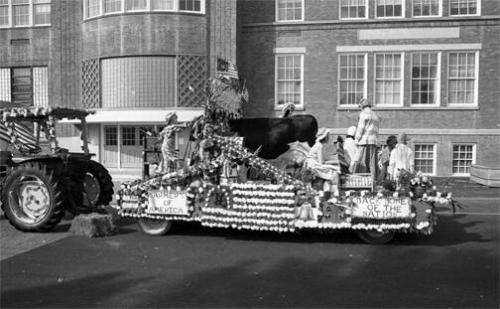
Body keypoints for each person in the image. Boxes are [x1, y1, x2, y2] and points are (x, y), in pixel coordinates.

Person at [353, 98, 380, 189]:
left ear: (362, 106)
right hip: (374, 141)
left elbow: (360, 128)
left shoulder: (363, 114)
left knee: (362, 163)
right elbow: (377, 131)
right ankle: (373, 184)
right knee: (372, 164)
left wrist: (356, 139)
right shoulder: (375, 115)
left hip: (364, 141)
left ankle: (362, 185)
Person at [304, 128, 340, 196]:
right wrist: (333, 163)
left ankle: (328, 191)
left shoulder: (318, 144)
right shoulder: (319, 145)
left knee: (332, 168)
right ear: (325, 137)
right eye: (328, 136)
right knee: (333, 171)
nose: (329, 138)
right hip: (314, 165)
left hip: (312, 164)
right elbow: (321, 162)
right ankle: (331, 192)